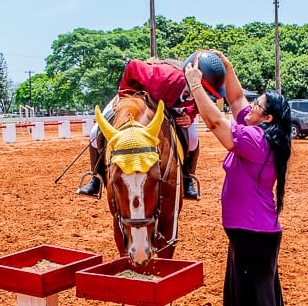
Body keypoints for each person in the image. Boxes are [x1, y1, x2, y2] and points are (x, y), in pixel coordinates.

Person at [187, 51, 292, 306]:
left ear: (268, 118)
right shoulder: (260, 129)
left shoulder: (254, 140)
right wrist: (228, 66)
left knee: (260, 292)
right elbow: (233, 97)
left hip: (254, 231)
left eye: (258, 106)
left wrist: (195, 86)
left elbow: (217, 122)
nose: (251, 107)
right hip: (248, 230)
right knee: (250, 287)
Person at [78, 53, 226, 201]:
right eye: (204, 92)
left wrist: (189, 114)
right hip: (136, 95)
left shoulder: (192, 89)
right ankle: (96, 179)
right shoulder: (162, 77)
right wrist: (126, 101)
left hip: (169, 104)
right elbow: (133, 67)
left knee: (193, 138)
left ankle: (187, 179)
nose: (205, 96)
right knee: (94, 133)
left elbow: (198, 104)